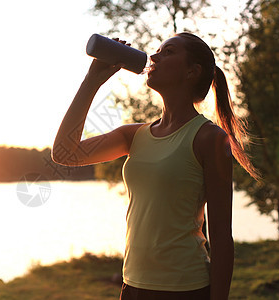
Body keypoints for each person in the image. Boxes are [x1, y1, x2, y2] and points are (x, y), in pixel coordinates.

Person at [52, 32, 259, 300]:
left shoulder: (209, 138)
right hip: (133, 285)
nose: (155, 56)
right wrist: (92, 81)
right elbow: (64, 153)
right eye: (158, 50)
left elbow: (221, 235)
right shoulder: (134, 135)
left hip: (185, 288)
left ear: (191, 72)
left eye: (169, 51)